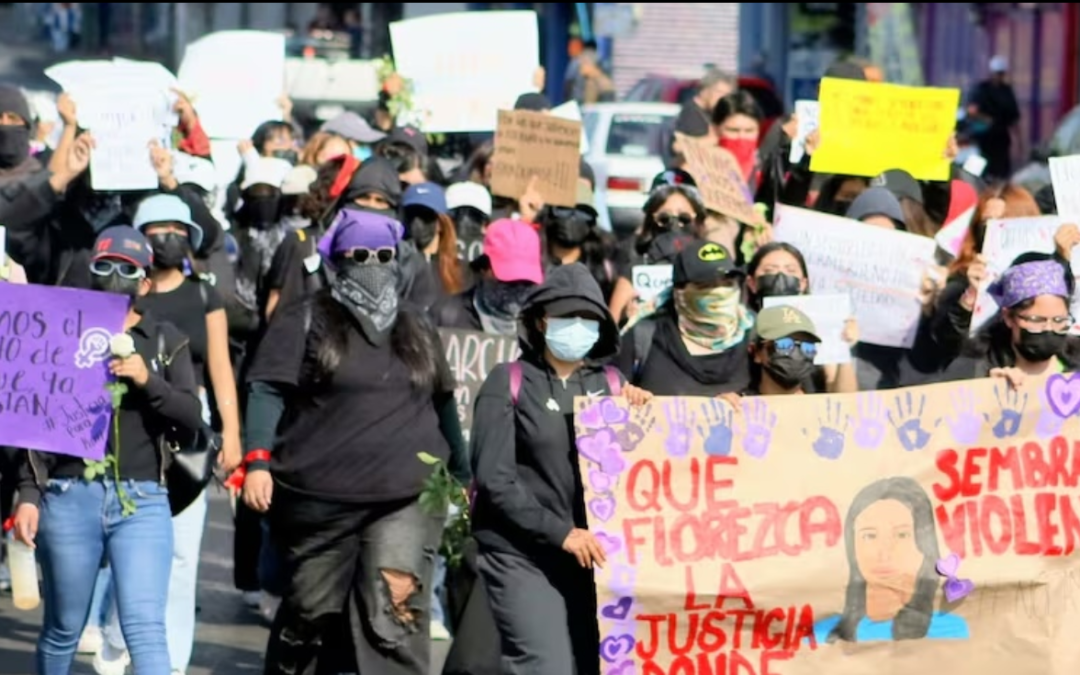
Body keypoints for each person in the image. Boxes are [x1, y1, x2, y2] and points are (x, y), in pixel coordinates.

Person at [240, 207, 468, 675]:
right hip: (320, 500)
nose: (372, 262)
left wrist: (463, 474)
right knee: (310, 612)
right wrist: (258, 460)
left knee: (395, 616)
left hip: (406, 496)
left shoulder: (417, 324)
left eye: (383, 254)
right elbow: (267, 389)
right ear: (338, 259)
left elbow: (443, 400)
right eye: (359, 253)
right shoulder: (305, 319)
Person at [13, 226, 203, 674]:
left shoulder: (163, 339)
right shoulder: (62, 330)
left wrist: (146, 379)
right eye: (104, 266)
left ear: (145, 283)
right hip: (68, 494)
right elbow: (34, 418)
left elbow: (192, 416)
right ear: (90, 271)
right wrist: (28, 494)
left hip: (142, 501)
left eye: (128, 268)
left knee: (145, 628)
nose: (115, 276)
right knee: (63, 629)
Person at [471, 263, 650, 675]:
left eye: (588, 318)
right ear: (539, 320)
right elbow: (495, 480)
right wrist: (560, 533)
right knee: (545, 665)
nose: (577, 326)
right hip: (522, 555)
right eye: (567, 316)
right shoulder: (508, 381)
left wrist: (648, 412)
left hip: (597, 561)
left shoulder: (614, 384)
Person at [814, 477, 970, 642]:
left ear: (925, 546)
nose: (884, 553)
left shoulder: (952, 631)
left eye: (902, 535)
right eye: (870, 536)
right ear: (852, 546)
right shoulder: (822, 634)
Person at [618, 241, 754, 396]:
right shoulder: (643, 337)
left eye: (728, 283)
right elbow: (609, 400)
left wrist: (743, 399)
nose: (719, 292)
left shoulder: (755, 333)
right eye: (705, 286)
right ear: (679, 292)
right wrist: (630, 395)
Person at [948, 253, 1080, 383]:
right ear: (1009, 317)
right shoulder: (977, 370)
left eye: (1059, 320)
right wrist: (990, 391)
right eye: (1036, 320)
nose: (1049, 328)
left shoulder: (1076, 365)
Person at [608, 172, 705, 324]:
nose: (675, 225)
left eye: (684, 219)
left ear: (697, 220)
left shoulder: (710, 267)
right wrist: (626, 317)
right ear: (651, 220)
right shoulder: (636, 268)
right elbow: (610, 330)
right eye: (664, 219)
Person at [432, 219, 544, 334]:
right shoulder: (448, 317)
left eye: (527, 282)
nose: (517, 290)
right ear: (484, 268)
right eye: (508, 281)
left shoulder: (540, 326)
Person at [745, 305, 822, 395]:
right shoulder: (738, 405)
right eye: (784, 344)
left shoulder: (825, 403)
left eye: (808, 347)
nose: (796, 353)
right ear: (757, 352)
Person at [967, 56, 1020, 181]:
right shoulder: (982, 89)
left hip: (1001, 138)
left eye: (1001, 73)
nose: (999, 76)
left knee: (1001, 173)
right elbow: (972, 111)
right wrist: (986, 119)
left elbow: (1014, 118)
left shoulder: (1007, 91)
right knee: (980, 170)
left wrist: (1018, 141)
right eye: (997, 73)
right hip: (984, 138)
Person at [674, 67, 736, 138]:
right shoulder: (691, 116)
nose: (723, 98)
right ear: (704, 91)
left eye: (727, 94)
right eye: (720, 92)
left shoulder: (707, 114)